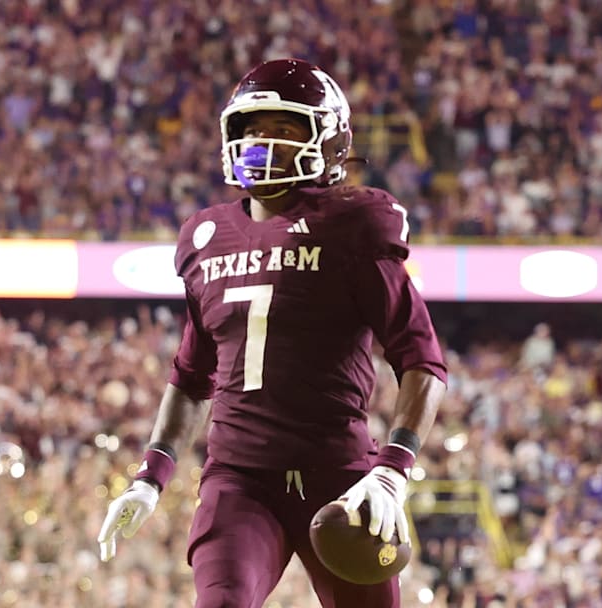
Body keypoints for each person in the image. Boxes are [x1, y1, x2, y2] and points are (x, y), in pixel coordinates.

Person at [97, 58, 449, 607]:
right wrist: (150, 474)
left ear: (329, 140)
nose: (264, 143)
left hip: (341, 473)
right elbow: (193, 373)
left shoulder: (352, 225)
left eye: (285, 129)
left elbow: (422, 358)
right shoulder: (207, 236)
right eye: (253, 130)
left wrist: (393, 470)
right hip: (239, 477)